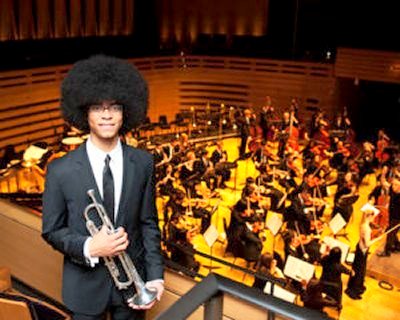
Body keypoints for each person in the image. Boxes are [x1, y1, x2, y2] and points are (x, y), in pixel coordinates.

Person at [41, 55, 164, 320]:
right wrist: (89, 247)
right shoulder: (59, 170)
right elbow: (51, 230)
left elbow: (149, 224)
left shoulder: (143, 162)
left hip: (134, 288)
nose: (107, 114)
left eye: (115, 107)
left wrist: (155, 276)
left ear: (126, 112)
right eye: (98, 107)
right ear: (85, 112)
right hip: (83, 290)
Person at [345, 205, 376, 299]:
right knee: (359, 270)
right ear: (369, 216)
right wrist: (377, 239)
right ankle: (355, 289)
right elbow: (367, 244)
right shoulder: (367, 228)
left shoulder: (362, 224)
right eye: (373, 216)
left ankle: (354, 285)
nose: (373, 218)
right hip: (362, 250)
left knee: (357, 268)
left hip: (359, 248)